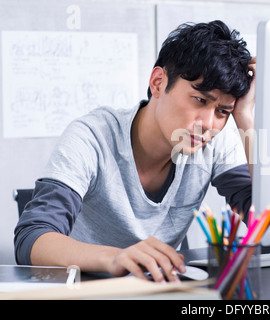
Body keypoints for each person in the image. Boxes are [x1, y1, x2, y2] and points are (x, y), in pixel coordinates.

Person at [14, 20, 255, 283]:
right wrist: (115, 257)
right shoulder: (93, 136)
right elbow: (31, 238)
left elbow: (261, 218)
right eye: (200, 100)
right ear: (158, 82)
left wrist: (246, 120)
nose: (209, 123)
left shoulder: (214, 140)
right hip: (83, 289)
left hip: (156, 290)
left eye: (223, 111)